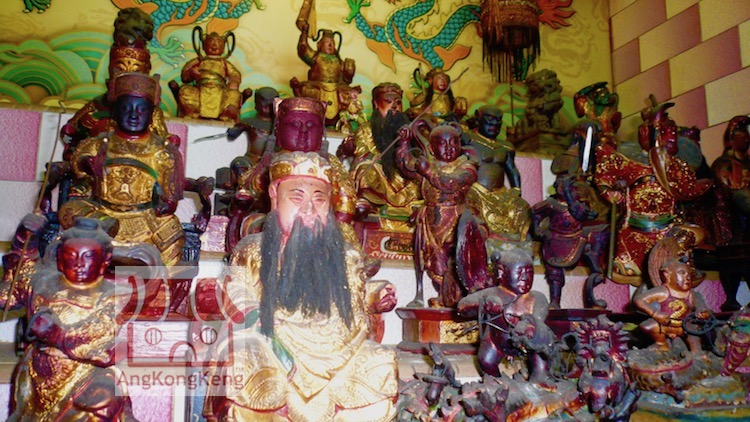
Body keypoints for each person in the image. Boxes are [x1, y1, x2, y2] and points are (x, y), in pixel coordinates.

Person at [203, 151, 398, 421]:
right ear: (274, 196)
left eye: (319, 200)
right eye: (297, 198)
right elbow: (237, 291)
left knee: (381, 361)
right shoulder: (253, 250)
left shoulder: (347, 256)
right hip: (272, 339)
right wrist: (257, 318)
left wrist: (376, 293)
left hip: (336, 343)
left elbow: (355, 297)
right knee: (243, 359)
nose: (309, 210)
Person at [2, 217, 135, 420]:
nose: (79, 264)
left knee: (104, 399)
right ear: (60, 257)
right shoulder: (42, 284)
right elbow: (7, 297)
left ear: (105, 260)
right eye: (71, 256)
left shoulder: (113, 296)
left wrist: (56, 333)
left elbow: (101, 333)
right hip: (38, 372)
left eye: (87, 257)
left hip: (85, 374)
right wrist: (24, 242)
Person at [59, 71, 186, 267]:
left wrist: (167, 203)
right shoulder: (98, 143)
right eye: (126, 108)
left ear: (151, 114)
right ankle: (98, 238)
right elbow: (78, 165)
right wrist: (87, 164)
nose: (134, 115)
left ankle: (161, 282)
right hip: (102, 212)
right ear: (116, 111)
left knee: (173, 229)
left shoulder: (161, 150)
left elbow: (170, 196)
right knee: (70, 210)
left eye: (141, 109)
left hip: (143, 218)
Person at [594, 101, 712, 286]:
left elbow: (688, 189)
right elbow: (603, 175)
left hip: (668, 228)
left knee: (695, 234)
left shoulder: (677, 167)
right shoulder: (628, 163)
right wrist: (608, 192)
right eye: (665, 133)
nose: (671, 139)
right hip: (635, 229)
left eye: (673, 135)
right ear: (645, 133)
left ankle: (674, 266)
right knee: (626, 268)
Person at [396, 121, 478, 307]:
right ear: (432, 149)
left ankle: (457, 298)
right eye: (443, 143)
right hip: (431, 222)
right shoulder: (429, 166)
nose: (449, 148)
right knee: (434, 260)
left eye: (454, 143)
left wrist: (429, 172)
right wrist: (404, 143)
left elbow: (450, 183)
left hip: (455, 219)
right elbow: (406, 166)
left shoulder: (467, 167)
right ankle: (442, 295)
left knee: (455, 259)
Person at [457, 246, 557, 389]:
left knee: (540, 343)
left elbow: (538, 319)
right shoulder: (492, 293)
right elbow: (462, 306)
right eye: (519, 273)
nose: (525, 278)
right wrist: (483, 305)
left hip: (527, 342)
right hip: (496, 342)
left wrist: (529, 326)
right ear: (501, 272)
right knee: (486, 359)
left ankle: (540, 376)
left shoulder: (537, 298)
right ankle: (495, 381)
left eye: (529, 273)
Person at [340, 82, 420, 216]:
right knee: (366, 166)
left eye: (398, 102)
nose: (394, 106)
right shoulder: (366, 129)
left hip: (402, 175)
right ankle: (371, 202)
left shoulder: (408, 130)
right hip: (379, 174)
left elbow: (416, 154)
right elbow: (361, 151)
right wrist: (378, 158)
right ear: (376, 104)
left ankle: (410, 206)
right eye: (388, 101)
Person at [633, 258, 710, 354]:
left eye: (689, 274)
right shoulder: (663, 291)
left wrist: (702, 311)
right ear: (667, 275)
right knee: (648, 326)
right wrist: (655, 314)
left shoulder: (691, 294)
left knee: (694, 332)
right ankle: (661, 343)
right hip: (665, 325)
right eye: (682, 273)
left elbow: (701, 305)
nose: (688, 277)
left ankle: (697, 352)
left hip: (684, 326)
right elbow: (639, 300)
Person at [290, 23, 357, 125]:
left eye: (332, 43)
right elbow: (303, 50)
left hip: (336, 87)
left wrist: (350, 71)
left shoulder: (339, 61)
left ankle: (342, 121)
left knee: (348, 93)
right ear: (319, 44)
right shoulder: (316, 57)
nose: (330, 45)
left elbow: (347, 80)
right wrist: (304, 33)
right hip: (318, 86)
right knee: (304, 89)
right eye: (327, 42)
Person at [174, 28, 246, 122]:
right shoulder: (198, 61)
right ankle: (192, 110)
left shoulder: (224, 64)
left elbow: (234, 73)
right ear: (204, 46)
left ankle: (226, 113)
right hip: (200, 90)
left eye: (218, 43)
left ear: (223, 48)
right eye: (210, 43)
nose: (214, 46)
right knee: (185, 90)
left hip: (219, 91)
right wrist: (192, 73)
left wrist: (234, 81)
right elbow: (184, 77)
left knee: (234, 94)